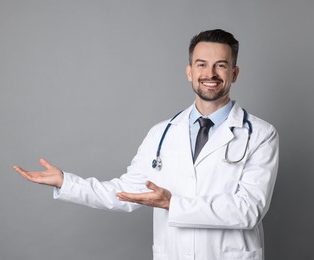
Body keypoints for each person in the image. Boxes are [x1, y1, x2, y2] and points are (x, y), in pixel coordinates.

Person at [14, 29, 279, 260]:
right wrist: (66, 182)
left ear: (234, 72)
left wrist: (171, 203)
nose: (210, 73)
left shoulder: (260, 134)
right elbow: (125, 193)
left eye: (221, 65)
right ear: (189, 71)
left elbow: (248, 210)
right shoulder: (161, 133)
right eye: (201, 64)